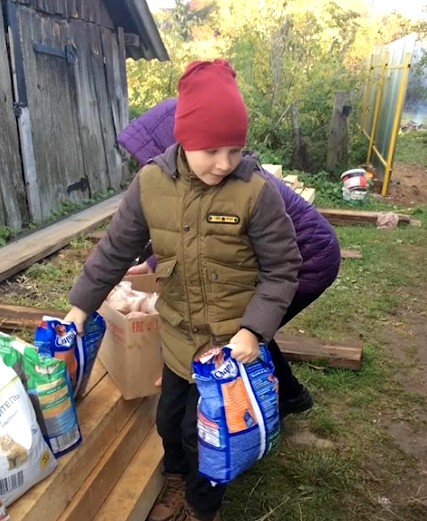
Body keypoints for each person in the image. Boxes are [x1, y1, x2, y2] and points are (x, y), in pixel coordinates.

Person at [65, 59, 303, 521]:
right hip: (177, 343)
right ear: (185, 138)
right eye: (212, 149)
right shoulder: (151, 184)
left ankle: (201, 506)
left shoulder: (256, 192)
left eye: (235, 150)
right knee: (169, 425)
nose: (224, 162)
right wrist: (80, 307)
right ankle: (175, 481)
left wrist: (254, 331)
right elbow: (116, 249)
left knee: (207, 439)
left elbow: (282, 269)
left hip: (228, 348)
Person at [118, 97, 341, 420]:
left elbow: (209, 238)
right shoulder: (196, 181)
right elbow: (187, 232)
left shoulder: (236, 184)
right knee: (252, 327)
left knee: (244, 327)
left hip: (309, 258)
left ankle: (248, 411)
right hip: (306, 251)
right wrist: (151, 264)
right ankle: (290, 396)